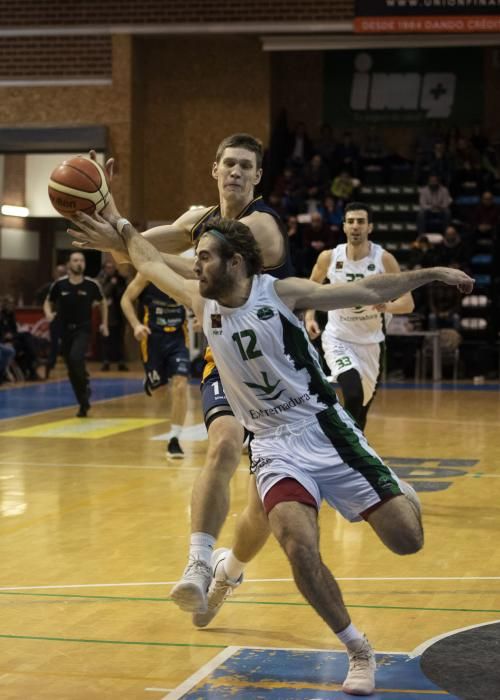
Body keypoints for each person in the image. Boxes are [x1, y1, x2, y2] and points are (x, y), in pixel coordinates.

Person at [69, 213, 473, 696]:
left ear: (234, 262)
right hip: (273, 445)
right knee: (297, 546)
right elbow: (149, 261)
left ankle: (396, 493)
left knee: (408, 540)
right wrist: (117, 220)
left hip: (323, 429)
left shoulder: (280, 293)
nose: (195, 267)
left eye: (203, 258)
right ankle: (357, 647)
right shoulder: (202, 301)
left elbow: (369, 291)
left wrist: (431, 273)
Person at [83, 134, 294, 616]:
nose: (236, 172)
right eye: (229, 164)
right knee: (220, 444)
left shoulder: (261, 226)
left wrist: (129, 240)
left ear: (258, 176)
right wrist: (102, 206)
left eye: (246, 165)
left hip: (281, 371)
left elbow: (180, 266)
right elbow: (126, 250)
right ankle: (198, 565)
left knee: (265, 506)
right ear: (214, 169)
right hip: (225, 359)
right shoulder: (197, 220)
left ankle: (230, 571)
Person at [305, 203, 414, 431]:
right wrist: (309, 318)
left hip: (371, 343)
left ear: (370, 227)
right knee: (352, 394)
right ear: (344, 226)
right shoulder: (329, 257)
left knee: (360, 412)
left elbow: (408, 303)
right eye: (351, 221)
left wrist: (387, 307)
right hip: (338, 338)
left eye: (361, 222)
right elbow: (310, 290)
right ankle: (337, 446)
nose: (356, 226)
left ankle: (351, 452)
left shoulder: (384, 259)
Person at [121, 273, 189, 459]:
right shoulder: (147, 274)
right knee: (159, 392)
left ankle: (174, 439)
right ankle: (151, 382)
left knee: (181, 385)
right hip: (152, 340)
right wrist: (135, 325)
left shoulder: (182, 273)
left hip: (178, 339)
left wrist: (202, 317)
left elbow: (205, 296)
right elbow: (126, 299)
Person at [45, 251, 109, 417]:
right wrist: (48, 314)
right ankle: (83, 402)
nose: (79, 263)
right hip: (65, 330)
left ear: (84, 264)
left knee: (75, 357)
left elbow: (103, 303)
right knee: (71, 369)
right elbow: (48, 301)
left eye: (81, 260)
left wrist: (104, 324)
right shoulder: (60, 284)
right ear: (69, 264)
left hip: (83, 329)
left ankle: (85, 383)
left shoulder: (91, 285)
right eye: (75, 260)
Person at [97, 259, 129, 371]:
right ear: (105, 269)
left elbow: (125, 294)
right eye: (107, 267)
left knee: (119, 339)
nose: (110, 269)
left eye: (111, 267)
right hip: (108, 316)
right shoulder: (102, 279)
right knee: (106, 339)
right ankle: (106, 362)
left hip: (120, 313)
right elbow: (103, 294)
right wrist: (111, 284)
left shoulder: (120, 279)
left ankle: (121, 362)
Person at [37, 263, 67, 379]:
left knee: (68, 343)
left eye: (63, 273)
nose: (61, 275)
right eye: (59, 273)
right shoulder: (50, 286)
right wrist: (48, 309)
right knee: (54, 344)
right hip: (55, 318)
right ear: (55, 274)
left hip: (68, 319)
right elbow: (39, 295)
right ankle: (50, 365)